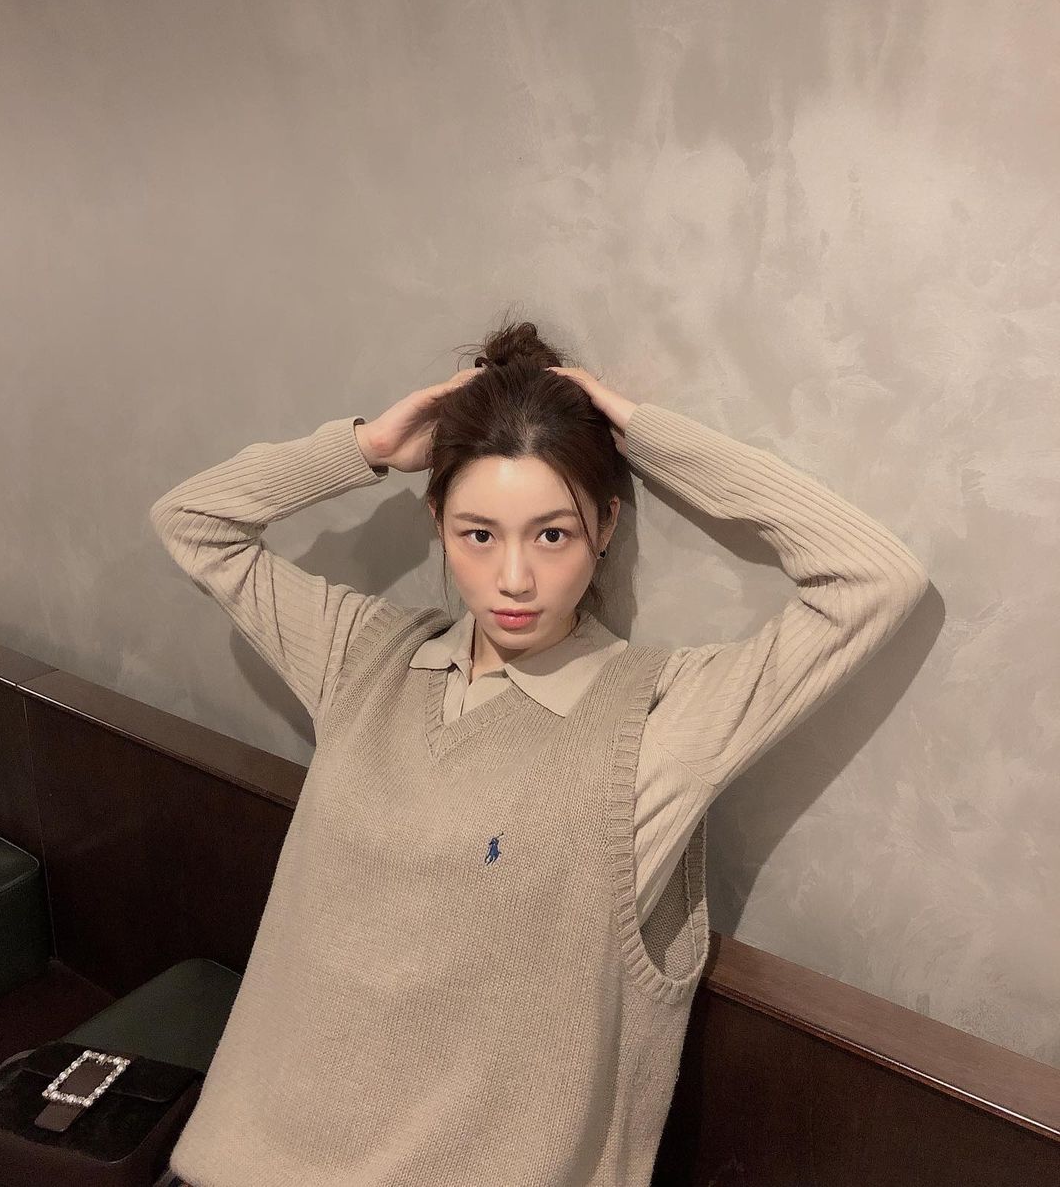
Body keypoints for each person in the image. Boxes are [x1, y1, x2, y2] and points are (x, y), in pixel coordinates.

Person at [149, 313, 929, 1186]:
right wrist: (368, 447)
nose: (513, 579)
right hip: (233, 1165)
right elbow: (192, 521)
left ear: (605, 526)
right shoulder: (360, 655)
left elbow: (873, 579)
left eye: (552, 534)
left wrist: (644, 435)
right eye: (477, 534)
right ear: (438, 523)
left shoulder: (660, 720)